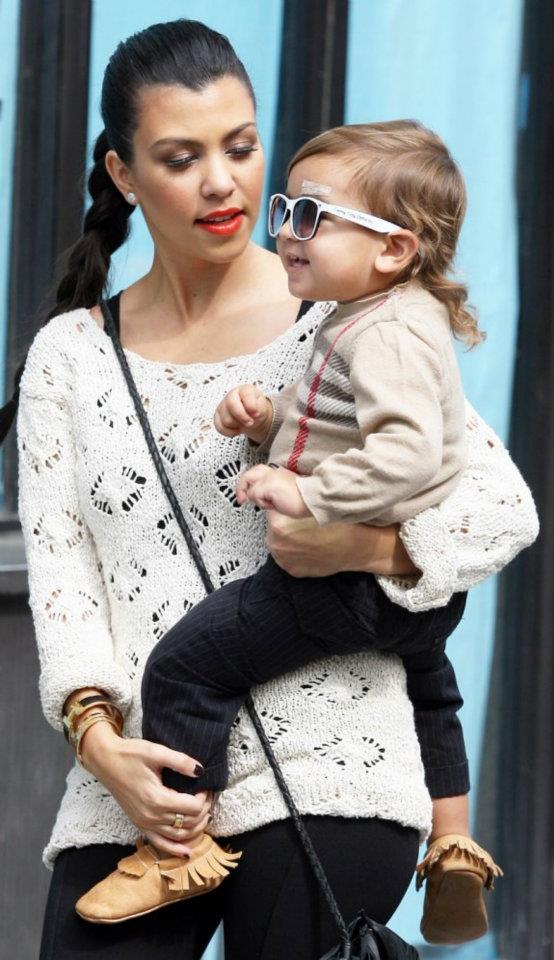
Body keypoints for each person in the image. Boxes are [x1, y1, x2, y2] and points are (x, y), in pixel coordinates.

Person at [4, 18, 537, 960]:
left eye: (242, 148)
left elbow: (500, 508)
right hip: (147, 783)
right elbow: (63, 579)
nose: (223, 183)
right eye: (182, 158)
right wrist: (100, 744)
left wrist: (358, 546)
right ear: (123, 174)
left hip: (332, 763)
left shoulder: (347, 313)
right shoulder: (70, 358)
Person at [76, 120, 500, 945]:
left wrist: (308, 495)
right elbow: (343, 428)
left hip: (340, 581)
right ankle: (454, 840)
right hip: (414, 592)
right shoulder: (379, 315)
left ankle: (178, 846)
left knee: (188, 666)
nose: (286, 232)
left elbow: (409, 455)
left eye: (311, 216)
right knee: (434, 687)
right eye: (286, 209)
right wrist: (270, 421)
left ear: (393, 248)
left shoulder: (383, 334)